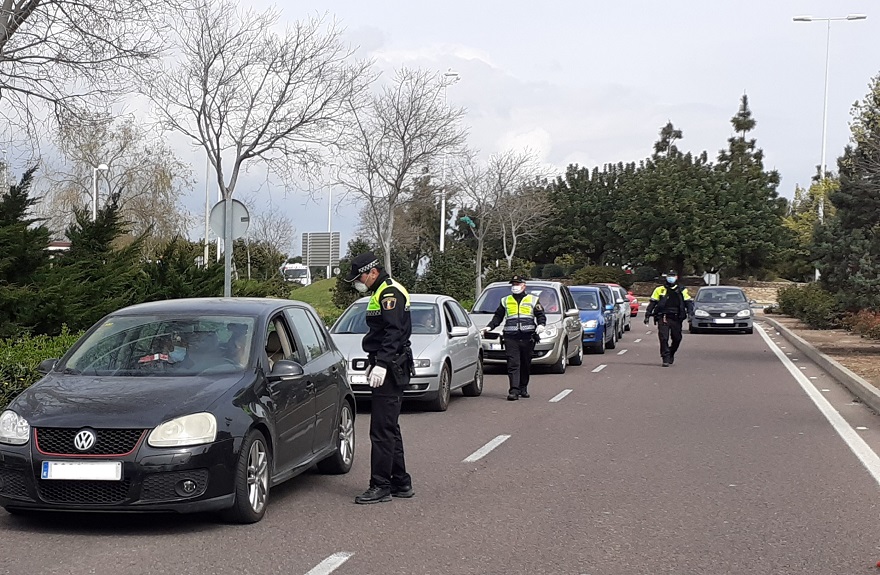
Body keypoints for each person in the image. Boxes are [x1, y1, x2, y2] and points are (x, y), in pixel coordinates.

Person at [344, 251, 414, 504]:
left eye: (360, 277)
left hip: (391, 365)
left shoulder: (389, 293)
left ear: (373, 272)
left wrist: (382, 364)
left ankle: (381, 484)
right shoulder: (381, 291)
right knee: (389, 427)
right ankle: (400, 481)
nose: (358, 282)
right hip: (389, 363)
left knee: (381, 430)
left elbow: (394, 333)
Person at [481, 275, 547, 401]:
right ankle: (514, 391)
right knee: (513, 364)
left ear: (524, 285)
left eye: (517, 284)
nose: (515, 287)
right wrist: (489, 327)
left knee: (525, 363)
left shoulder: (533, 299)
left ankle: (523, 387)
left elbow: (540, 315)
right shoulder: (505, 300)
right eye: (513, 284)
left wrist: (541, 325)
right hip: (511, 337)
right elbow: (498, 317)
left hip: (528, 336)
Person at [644, 269, 694, 367]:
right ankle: (665, 357)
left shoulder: (682, 289)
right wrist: (647, 314)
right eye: (669, 276)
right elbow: (652, 303)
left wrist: (690, 314)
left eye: (673, 276)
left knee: (677, 338)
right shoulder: (659, 289)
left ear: (676, 277)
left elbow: (688, 303)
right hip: (663, 317)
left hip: (676, 317)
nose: (671, 278)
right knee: (663, 338)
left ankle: (671, 352)